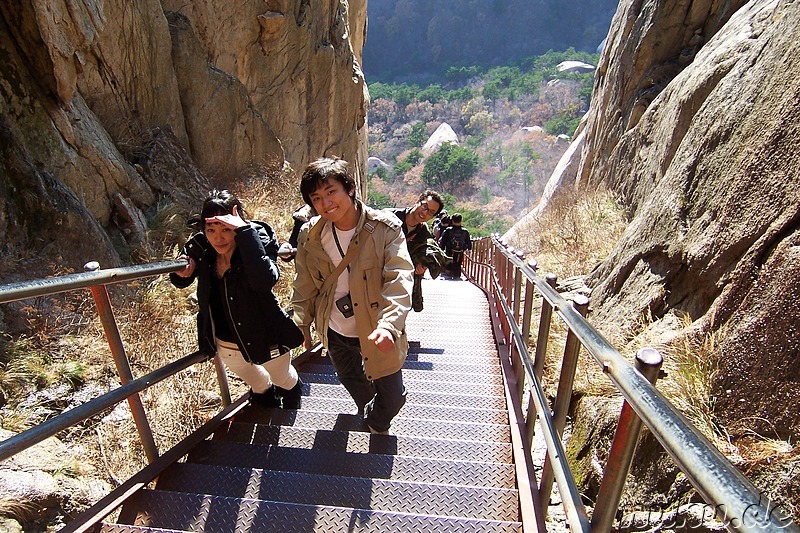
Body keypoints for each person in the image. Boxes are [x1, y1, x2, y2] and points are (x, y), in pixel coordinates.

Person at [291, 156, 413, 434]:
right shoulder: (310, 234)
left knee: (392, 398)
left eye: (331, 192)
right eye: (317, 197)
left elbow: (400, 278)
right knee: (350, 378)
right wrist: (300, 322)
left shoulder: (386, 228)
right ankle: (368, 416)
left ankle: (375, 421)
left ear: (350, 189)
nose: (326, 203)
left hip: (376, 327)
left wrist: (389, 324)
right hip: (334, 328)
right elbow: (305, 283)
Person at [170, 190, 304, 409]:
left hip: (266, 333)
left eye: (226, 229)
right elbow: (180, 280)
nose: (218, 237)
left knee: (283, 379)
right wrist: (180, 270)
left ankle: (291, 401)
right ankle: (265, 399)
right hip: (225, 340)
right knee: (257, 382)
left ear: (239, 224)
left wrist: (244, 232)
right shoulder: (201, 246)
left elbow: (264, 280)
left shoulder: (257, 237)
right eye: (211, 229)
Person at [390, 191, 450, 312]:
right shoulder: (390, 216)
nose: (425, 212)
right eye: (424, 206)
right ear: (417, 201)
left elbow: (423, 251)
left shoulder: (422, 231)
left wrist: (421, 266)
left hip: (398, 280)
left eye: (431, 212)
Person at [439, 212, 472, 279]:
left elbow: (443, 241)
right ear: (461, 221)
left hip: (449, 251)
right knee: (458, 263)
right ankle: (457, 275)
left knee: (449, 263)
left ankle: (449, 273)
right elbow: (468, 242)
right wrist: (469, 249)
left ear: (452, 221)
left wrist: (441, 249)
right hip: (460, 251)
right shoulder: (465, 231)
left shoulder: (448, 230)